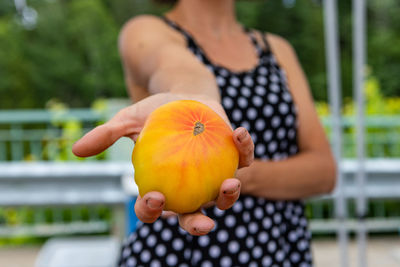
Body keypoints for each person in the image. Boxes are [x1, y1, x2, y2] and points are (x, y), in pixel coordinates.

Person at [73, 0, 336, 266]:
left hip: (275, 247)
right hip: (179, 249)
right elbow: (176, 66)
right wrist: (194, 100)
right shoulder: (146, 31)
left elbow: (323, 172)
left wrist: (228, 173)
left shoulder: (277, 49)